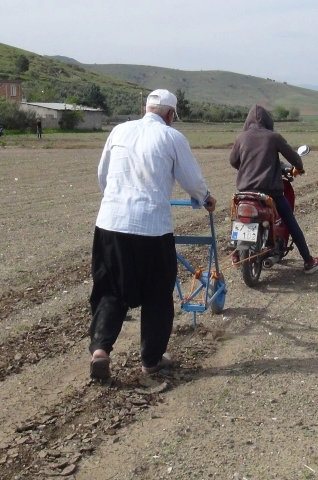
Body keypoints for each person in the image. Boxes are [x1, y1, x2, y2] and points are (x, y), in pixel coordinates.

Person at [88, 89, 217, 380]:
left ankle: (101, 350)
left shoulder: (119, 130)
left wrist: (116, 203)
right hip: (152, 228)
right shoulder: (172, 137)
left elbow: (103, 175)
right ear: (171, 115)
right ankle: (151, 360)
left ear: (145, 108)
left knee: (110, 289)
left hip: (110, 224)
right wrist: (205, 197)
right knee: (157, 295)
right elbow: (192, 179)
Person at [229, 105, 318, 274]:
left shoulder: (240, 137)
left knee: (238, 219)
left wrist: (247, 169)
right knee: (290, 220)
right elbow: (295, 160)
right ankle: (308, 261)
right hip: (270, 192)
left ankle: (235, 254)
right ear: (267, 121)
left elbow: (233, 161)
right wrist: (298, 167)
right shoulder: (273, 137)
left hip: (245, 192)